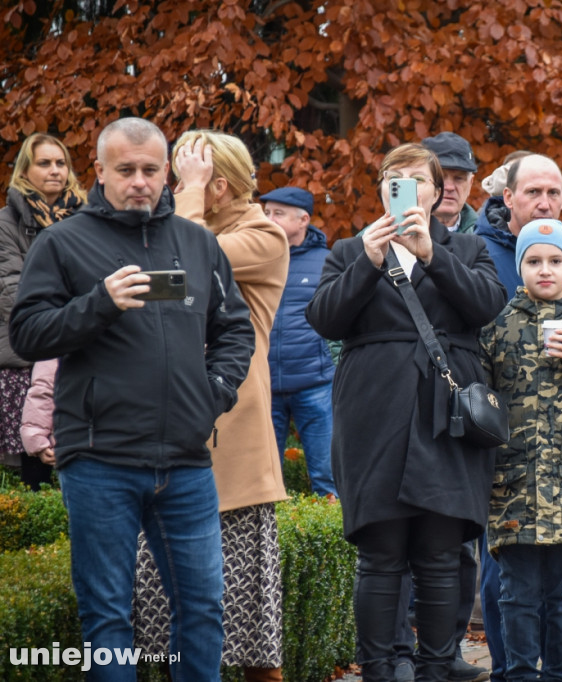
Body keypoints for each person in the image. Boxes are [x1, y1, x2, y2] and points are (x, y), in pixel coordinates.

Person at [9, 117, 255, 681]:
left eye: (149, 170)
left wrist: (212, 396)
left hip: (185, 461)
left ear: (167, 172)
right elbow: (27, 334)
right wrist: (100, 302)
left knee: (203, 609)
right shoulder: (62, 241)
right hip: (100, 460)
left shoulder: (197, 242)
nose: (139, 182)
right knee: (107, 616)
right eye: (125, 170)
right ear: (100, 171)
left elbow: (234, 329)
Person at [306, 142, 505, 682]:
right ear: (382, 191)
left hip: (447, 418)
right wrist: (368, 263)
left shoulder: (467, 248)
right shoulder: (351, 249)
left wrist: (433, 256)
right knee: (381, 553)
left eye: (419, 180)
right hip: (374, 416)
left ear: (437, 192)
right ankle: (378, 669)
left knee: (440, 554)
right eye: (395, 179)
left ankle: (435, 669)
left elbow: (487, 306)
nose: (407, 189)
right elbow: (324, 319)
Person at [131, 130, 290, 681]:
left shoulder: (264, 236)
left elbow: (185, 265)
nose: (173, 189)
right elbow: (152, 288)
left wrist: (191, 195)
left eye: (182, 179)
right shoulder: (183, 225)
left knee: (244, 624)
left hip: (230, 433)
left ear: (217, 186)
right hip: (166, 424)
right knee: (160, 606)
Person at [474, 152, 562, 679]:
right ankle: (513, 671)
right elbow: (478, 386)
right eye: (534, 262)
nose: (546, 270)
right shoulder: (495, 311)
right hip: (513, 481)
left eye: (554, 192)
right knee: (513, 592)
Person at [417, 132, 490, 682]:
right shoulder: (379, 236)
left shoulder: (482, 237)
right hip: (398, 398)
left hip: (462, 400)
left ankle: (448, 649)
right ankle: (400, 650)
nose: (451, 186)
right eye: (442, 175)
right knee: (395, 534)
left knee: (456, 537)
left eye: (461, 177)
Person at [0, 133, 86, 490]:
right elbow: (11, 291)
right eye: (44, 163)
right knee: (34, 465)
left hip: (82, 344)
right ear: (25, 170)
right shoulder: (6, 222)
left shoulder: (88, 219)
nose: (55, 170)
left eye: (61, 163)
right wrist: (70, 320)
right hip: (27, 349)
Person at [260, 186, 338, 498]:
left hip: (315, 384)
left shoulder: (327, 262)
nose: (269, 219)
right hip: (264, 384)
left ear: (303, 219)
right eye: (266, 212)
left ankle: (331, 529)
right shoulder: (256, 258)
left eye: (278, 213)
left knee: (327, 477)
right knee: (263, 482)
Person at [422, 131, 478, 233]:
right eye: (440, 177)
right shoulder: (397, 234)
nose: (449, 187)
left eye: (459, 178)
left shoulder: (486, 236)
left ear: (470, 184)